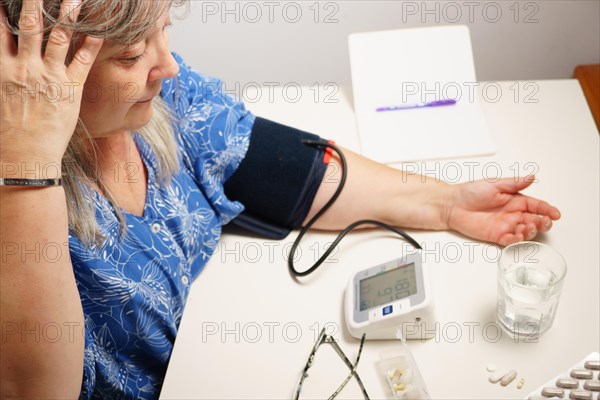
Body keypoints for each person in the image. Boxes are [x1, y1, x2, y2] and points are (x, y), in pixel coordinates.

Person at [0, 0, 561, 398]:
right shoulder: (18, 200)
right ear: (36, 82)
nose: (166, 65)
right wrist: (27, 164)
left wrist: (444, 204)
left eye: (164, 29)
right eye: (129, 56)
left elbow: (282, 168)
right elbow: (34, 390)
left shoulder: (156, 100)